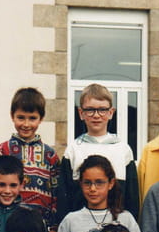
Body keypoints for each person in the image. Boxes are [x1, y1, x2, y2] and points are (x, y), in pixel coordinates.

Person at [0, 87, 60, 232]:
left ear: (41, 118)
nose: (26, 124)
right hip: (4, 225)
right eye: (21, 117)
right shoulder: (2, 151)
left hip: (38, 228)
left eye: (32, 118)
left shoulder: (50, 155)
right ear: (12, 116)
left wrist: (54, 226)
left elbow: (56, 193)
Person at [57, 83, 139, 220]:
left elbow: (132, 198)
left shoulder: (123, 150)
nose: (96, 115)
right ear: (81, 113)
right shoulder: (73, 149)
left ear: (111, 113)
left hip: (115, 225)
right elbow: (64, 197)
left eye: (102, 110)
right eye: (90, 110)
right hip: (80, 224)